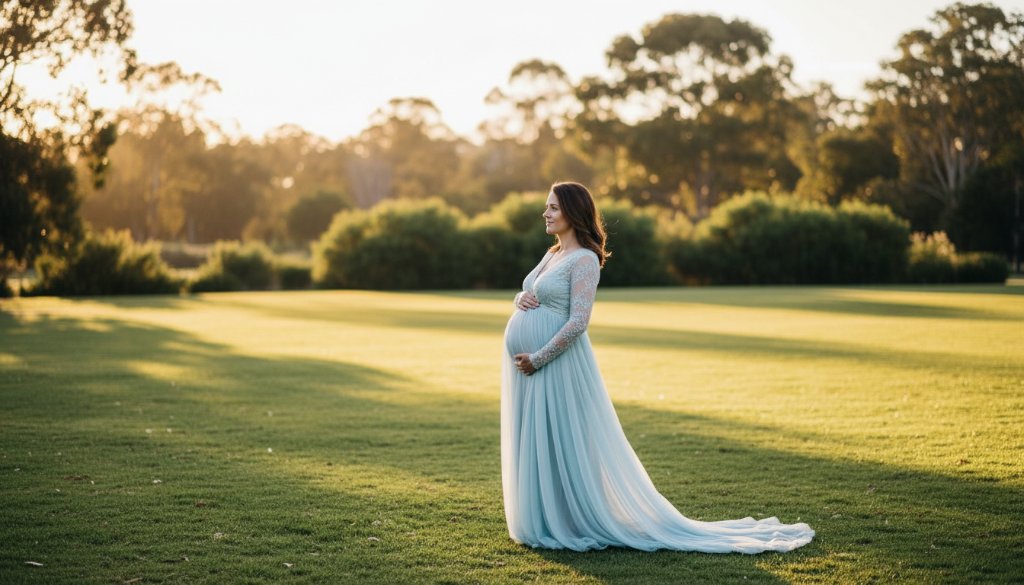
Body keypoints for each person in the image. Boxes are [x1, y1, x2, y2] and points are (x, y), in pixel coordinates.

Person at [500, 181, 815, 553]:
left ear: (572, 212)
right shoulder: (553, 253)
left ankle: (569, 518)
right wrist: (522, 297)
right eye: (547, 207)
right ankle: (548, 515)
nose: (546, 213)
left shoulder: (584, 258)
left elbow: (579, 320)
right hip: (529, 371)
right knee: (539, 439)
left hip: (554, 365)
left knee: (562, 438)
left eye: (553, 207)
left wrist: (538, 358)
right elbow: (531, 289)